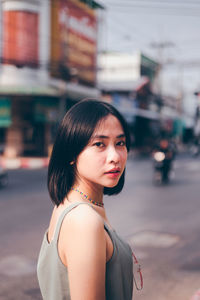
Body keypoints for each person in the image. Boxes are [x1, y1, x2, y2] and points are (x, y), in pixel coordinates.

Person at [37, 99, 139, 300]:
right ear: (71, 153)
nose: (114, 157)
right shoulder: (84, 221)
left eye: (120, 143)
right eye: (99, 144)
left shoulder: (71, 205)